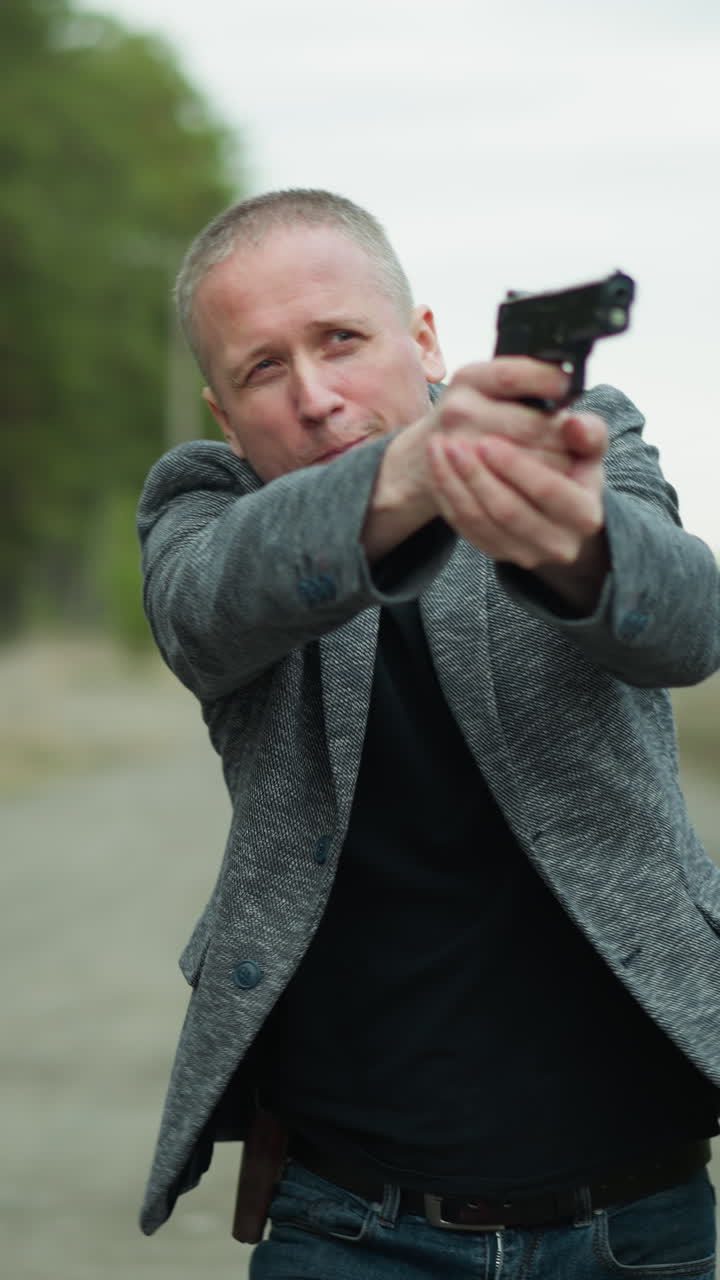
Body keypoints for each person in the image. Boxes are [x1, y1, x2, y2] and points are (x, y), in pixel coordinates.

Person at [137, 188, 720, 1280]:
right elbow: (211, 606)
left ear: (425, 340)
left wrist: (578, 543)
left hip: (634, 1214)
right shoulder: (204, 509)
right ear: (223, 414)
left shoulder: (586, 441)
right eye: (265, 369)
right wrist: (414, 470)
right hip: (344, 1216)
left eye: (341, 340)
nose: (315, 397)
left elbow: (688, 626)